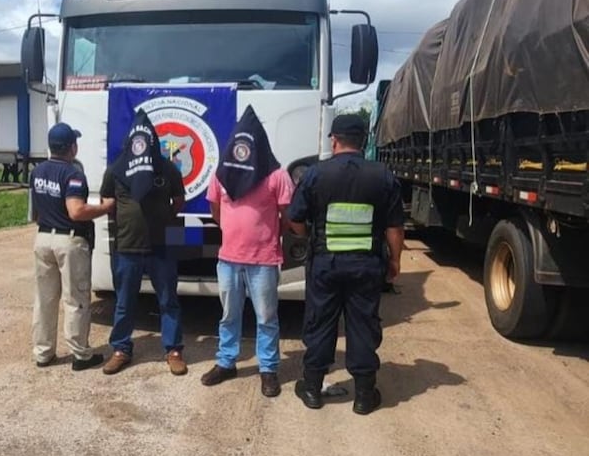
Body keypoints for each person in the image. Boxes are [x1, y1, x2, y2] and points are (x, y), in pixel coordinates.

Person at [287, 113, 405, 412]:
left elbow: (295, 218)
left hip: (325, 263)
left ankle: (312, 389)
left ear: (334, 140)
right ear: (363, 142)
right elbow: (394, 227)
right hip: (366, 265)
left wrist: (310, 236)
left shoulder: (315, 174)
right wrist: (395, 261)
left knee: (321, 321)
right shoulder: (382, 176)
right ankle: (365, 396)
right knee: (363, 324)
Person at [201, 106, 294, 397]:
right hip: (228, 259)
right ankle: (226, 362)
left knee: (267, 318)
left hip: (264, 261)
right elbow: (215, 209)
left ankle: (268, 369)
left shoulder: (277, 175)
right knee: (229, 315)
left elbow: (287, 216)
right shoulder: (222, 175)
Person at [99, 110, 187, 376]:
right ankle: (121, 350)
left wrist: (165, 218)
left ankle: (173, 350)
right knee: (125, 302)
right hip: (127, 247)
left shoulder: (167, 167)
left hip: (163, 246)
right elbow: (108, 203)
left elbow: (179, 200)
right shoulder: (115, 169)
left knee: (168, 301)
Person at [30, 122, 114, 371]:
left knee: (45, 298)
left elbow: (34, 214)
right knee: (75, 298)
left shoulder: (37, 172)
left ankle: (43, 353)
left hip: (43, 238)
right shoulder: (73, 174)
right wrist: (106, 208)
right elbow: (76, 210)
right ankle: (81, 355)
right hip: (69, 240)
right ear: (72, 148)